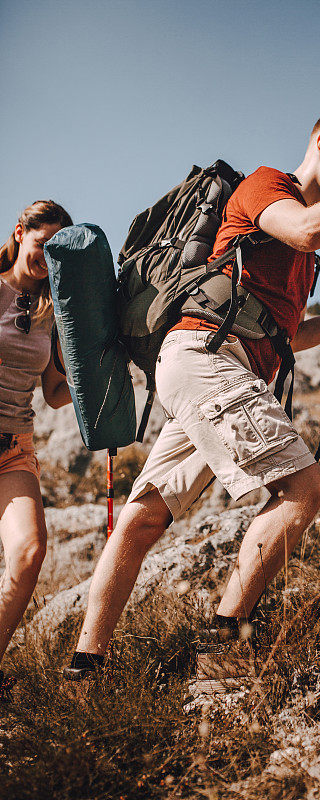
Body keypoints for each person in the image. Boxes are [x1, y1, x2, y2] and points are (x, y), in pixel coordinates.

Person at [64, 109, 320, 683]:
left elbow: (294, 336)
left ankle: (85, 667)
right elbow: (310, 228)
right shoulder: (265, 186)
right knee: (304, 490)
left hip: (208, 367)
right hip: (206, 357)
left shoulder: (305, 261)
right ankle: (226, 642)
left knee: (140, 519)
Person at [0, 200, 73, 697]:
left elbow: (53, 392)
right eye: (44, 245)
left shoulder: (55, 309)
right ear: (21, 232)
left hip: (14, 449)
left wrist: (103, 369)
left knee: (29, 553)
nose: (49, 258)